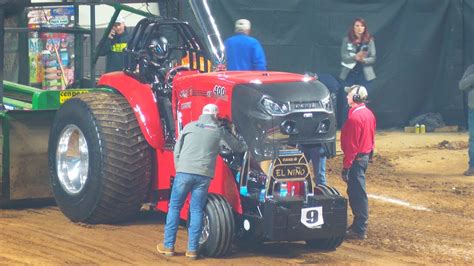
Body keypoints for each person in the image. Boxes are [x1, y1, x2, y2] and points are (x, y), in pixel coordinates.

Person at [157, 104, 247, 259]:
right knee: (197, 210)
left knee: (175, 208)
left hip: (184, 172)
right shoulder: (219, 131)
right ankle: (192, 249)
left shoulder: (189, 126)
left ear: (202, 114)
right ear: (216, 116)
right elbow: (238, 147)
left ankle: (168, 246)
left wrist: (180, 167)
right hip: (203, 176)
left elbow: (177, 149)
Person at [340, 85, 376, 240]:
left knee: (357, 193)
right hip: (364, 156)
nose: (347, 96)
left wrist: (346, 166)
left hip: (356, 159)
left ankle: (359, 228)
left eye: (349, 94)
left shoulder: (355, 118)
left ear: (355, 98)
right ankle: (357, 226)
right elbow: (371, 136)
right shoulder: (368, 114)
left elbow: (352, 145)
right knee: (355, 191)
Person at [339, 18, 376, 124]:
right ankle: (345, 125)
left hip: (364, 75)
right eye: (357, 26)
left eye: (362, 26)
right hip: (349, 74)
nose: (360, 28)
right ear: (353, 27)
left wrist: (363, 59)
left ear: (365, 28)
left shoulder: (369, 40)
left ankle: (363, 124)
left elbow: (373, 58)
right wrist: (355, 57)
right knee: (347, 101)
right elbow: (344, 57)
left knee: (363, 100)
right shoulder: (347, 40)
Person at [459, 64, 474, 176]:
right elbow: (462, 85)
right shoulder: (472, 68)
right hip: (473, 109)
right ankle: (473, 166)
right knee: (473, 139)